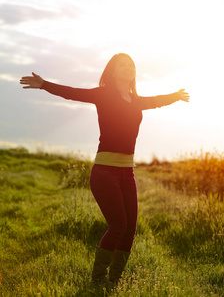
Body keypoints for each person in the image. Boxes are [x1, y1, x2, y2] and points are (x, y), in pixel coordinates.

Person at [20, 53, 190, 287]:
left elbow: (156, 100)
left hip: (127, 174)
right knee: (118, 225)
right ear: (112, 71)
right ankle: (98, 279)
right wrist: (44, 85)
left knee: (130, 230)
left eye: (131, 65)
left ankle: (113, 281)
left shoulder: (136, 100)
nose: (129, 68)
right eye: (123, 65)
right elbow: (73, 93)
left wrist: (176, 96)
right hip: (104, 173)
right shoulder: (103, 95)